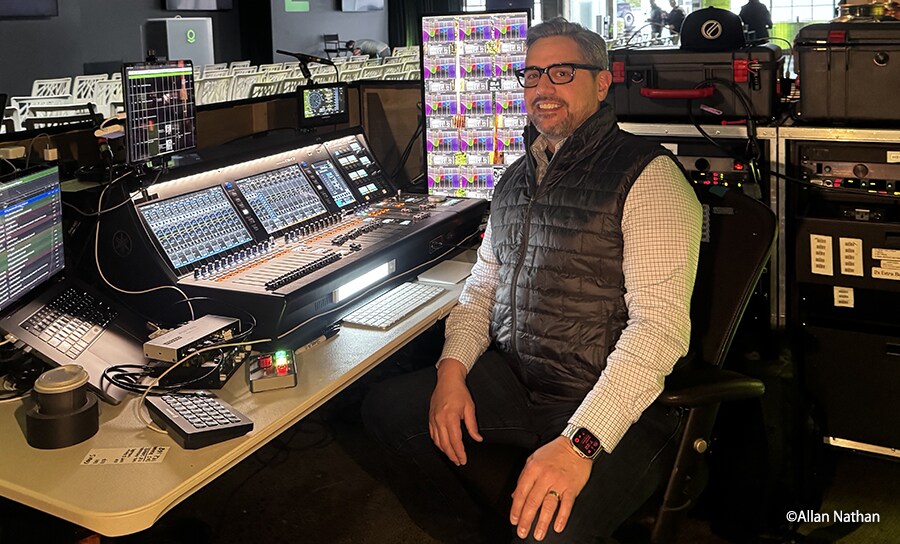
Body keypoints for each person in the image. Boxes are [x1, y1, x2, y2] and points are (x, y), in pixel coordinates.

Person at [362, 17, 701, 544]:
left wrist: (580, 444)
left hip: (607, 398)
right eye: (533, 74)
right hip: (518, 380)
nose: (543, 87)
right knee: (387, 410)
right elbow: (481, 289)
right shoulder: (515, 179)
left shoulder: (648, 176)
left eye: (562, 72)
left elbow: (659, 331)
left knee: (545, 535)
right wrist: (451, 372)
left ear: (602, 82)